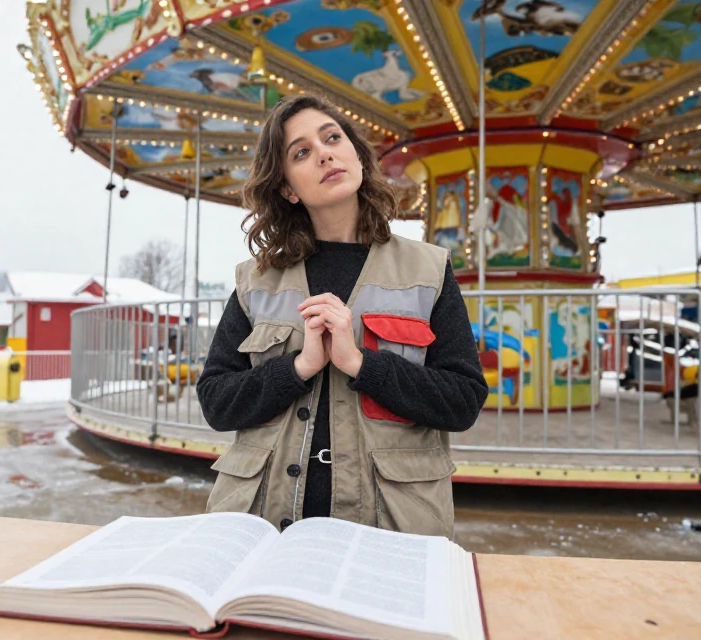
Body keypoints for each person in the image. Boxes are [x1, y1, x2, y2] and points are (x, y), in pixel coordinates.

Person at [196, 95, 488, 539]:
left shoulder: (427, 270)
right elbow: (217, 401)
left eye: (332, 138)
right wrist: (298, 368)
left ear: (355, 154)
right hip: (263, 524)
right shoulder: (257, 281)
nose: (325, 153)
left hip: (389, 526)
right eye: (302, 152)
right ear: (288, 188)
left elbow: (463, 400)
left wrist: (362, 365)